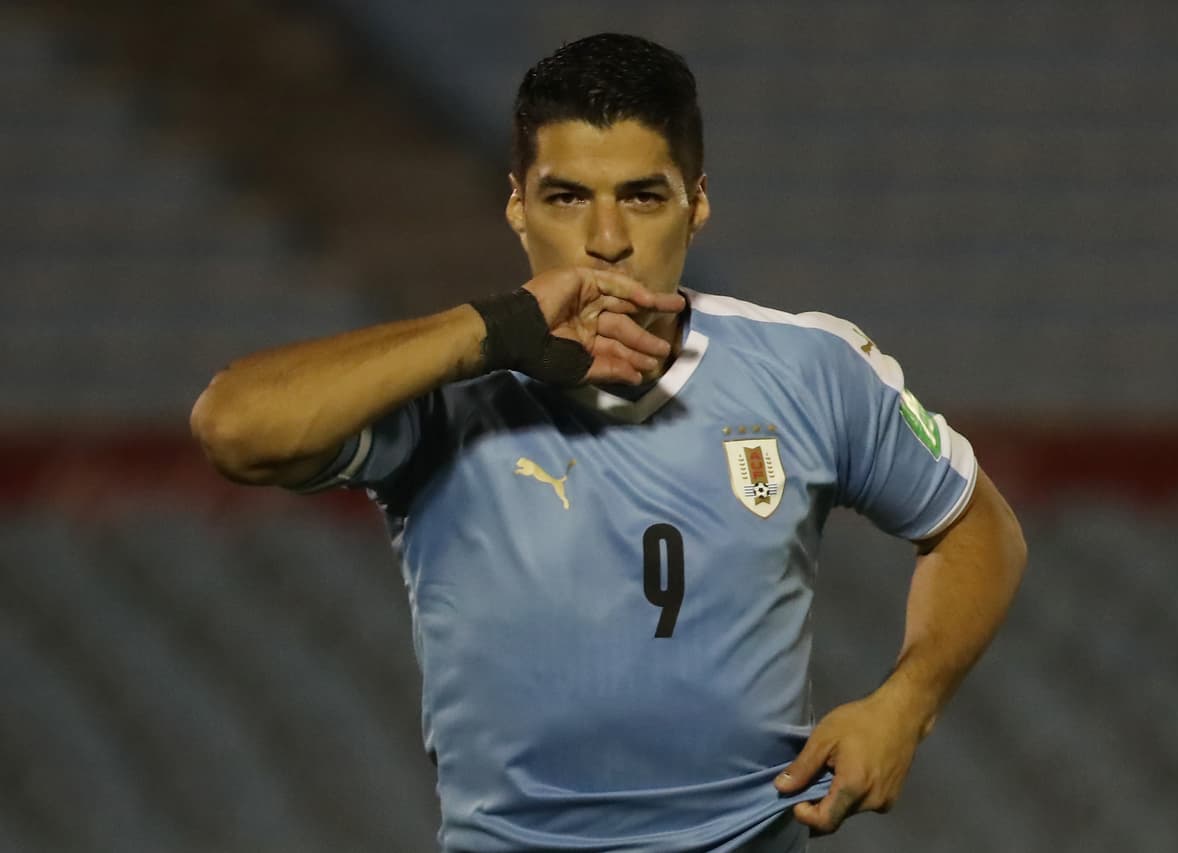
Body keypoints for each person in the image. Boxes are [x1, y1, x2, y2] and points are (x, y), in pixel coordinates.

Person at [191, 32, 1027, 853]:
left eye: (642, 197)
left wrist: (906, 705)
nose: (606, 239)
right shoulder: (442, 389)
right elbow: (233, 427)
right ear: (516, 205)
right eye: (565, 198)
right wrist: (492, 331)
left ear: (697, 202)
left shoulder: (811, 369)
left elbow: (976, 526)